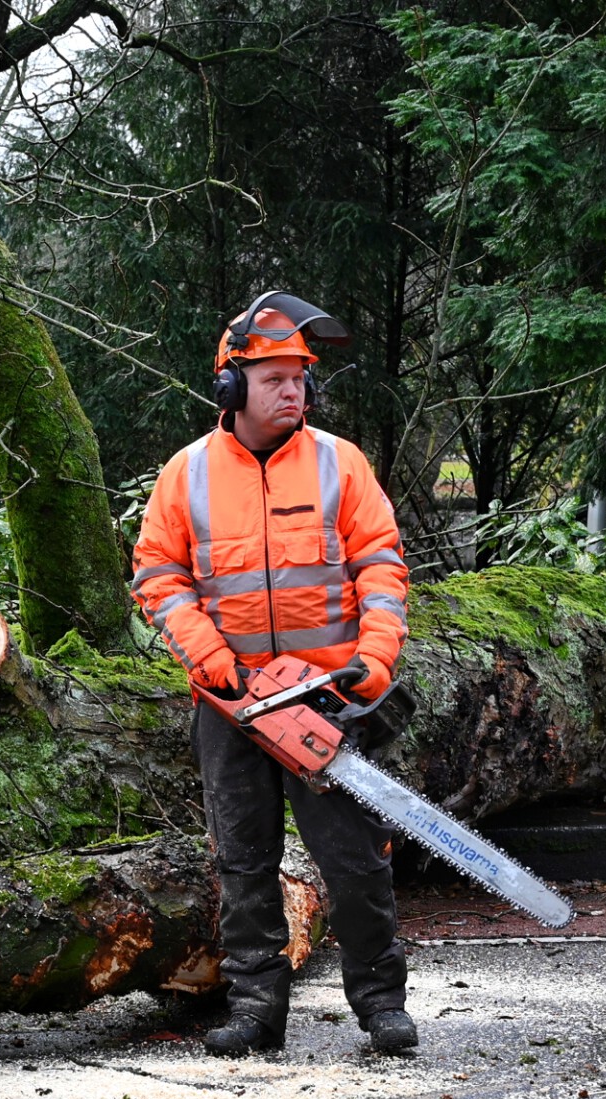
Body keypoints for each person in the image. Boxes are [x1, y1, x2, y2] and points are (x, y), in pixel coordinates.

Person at [129, 291, 417, 1057]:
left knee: (354, 863)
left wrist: (375, 657)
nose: (293, 390)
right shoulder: (186, 475)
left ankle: (381, 1003)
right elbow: (159, 576)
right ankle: (256, 1007)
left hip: (323, 699)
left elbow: (382, 567)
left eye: (300, 377)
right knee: (243, 861)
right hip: (231, 706)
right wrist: (212, 664)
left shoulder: (339, 464)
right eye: (275, 378)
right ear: (233, 386)